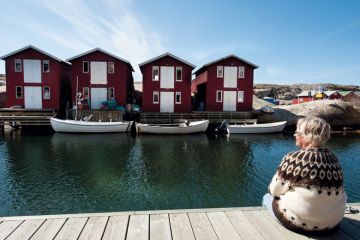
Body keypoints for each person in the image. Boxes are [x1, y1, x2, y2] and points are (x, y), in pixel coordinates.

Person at [263, 117, 347, 235]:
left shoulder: (294, 158)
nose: (294, 135)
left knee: (267, 197)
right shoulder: (334, 159)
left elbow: (275, 190)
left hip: (299, 223)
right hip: (332, 224)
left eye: (297, 132)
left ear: (307, 136)